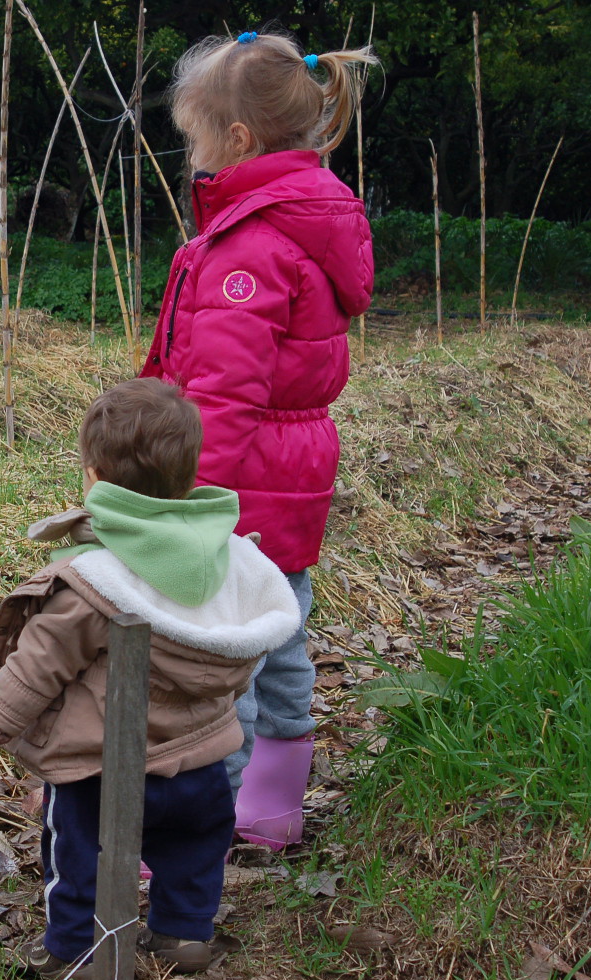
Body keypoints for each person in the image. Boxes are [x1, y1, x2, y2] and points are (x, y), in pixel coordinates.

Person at [0, 380, 299, 980]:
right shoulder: (229, 563)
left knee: (78, 858)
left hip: (101, 772)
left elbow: (36, 668)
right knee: (193, 857)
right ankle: (184, 938)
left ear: (93, 476)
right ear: (188, 477)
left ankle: (78, 952)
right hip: (202, 768)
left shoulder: (94, 580)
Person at [139, 30, 377, 850]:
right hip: (297, 471)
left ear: (237, 140)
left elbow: (225, 397)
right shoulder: (313, 224)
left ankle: (198, 825)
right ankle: (274, 808)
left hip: (236, 486)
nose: (195, 158)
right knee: (283, 629)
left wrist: (178, 498)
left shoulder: (251, 246)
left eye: (199, 140)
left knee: (219, 657)